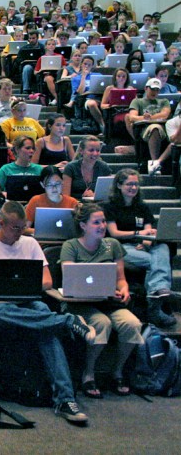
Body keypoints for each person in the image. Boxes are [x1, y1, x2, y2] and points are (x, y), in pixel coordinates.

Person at [0, 201, 96, 424]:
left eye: (23, 227)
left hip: (29, 301)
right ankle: (66, 321)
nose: (20, 232)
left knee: (44, 322)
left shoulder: (30, 243)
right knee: (1, 314)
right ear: (1, 223)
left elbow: (47, 281)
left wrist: (24, 287)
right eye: (15, 228)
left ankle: (65, 399)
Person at [61, 203, 143, 398]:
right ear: (83, 225)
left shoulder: (112, 245)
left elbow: (121, 279)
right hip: (82, 304)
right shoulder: (71, 246)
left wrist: (124, 289)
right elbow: (71, 279)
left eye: (104, 221)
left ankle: (117, 371)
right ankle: (89, 373)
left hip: (110, 302)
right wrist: (98, 291)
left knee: (132, 324)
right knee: (102, 323)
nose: (102, 225)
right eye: (96, 222)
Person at [103, 169, 175, 327]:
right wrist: (138, 233)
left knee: (162, 247)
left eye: (136, 184)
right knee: (157, 262)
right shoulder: (109, 206)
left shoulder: (141, 206)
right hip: (120, 248)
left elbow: (148, 230)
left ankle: (156, 294)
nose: (133, 187)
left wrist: (148, 240)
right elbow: (114, 233)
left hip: (140, 246)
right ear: (119, 185)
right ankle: (156, 301)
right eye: (129, 184)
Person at [126, 78, 171, 175]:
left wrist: (149, 117)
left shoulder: (164, 101)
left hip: (162, 128)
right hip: (144, 129)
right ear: (146, 88)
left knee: (156, 127)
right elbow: (132, 117)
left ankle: (155, 163)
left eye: (157, 90)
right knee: (154, 128)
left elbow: (165, 114)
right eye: (152, 89)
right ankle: (155, 163)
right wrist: (143, 117)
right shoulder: (137, 101)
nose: (155, 92)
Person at [25, 166, 79, 234]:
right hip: (42, 242)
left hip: (66, 242)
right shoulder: (35, 200)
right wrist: (42, 232)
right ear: (42, 185)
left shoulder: (72, 202)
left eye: (57, 183)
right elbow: (24, 228)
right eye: (49, 184)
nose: (54, 188)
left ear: (62, 182)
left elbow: (79, 229)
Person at [62, 135, 111, 200]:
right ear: (81, 151)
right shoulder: (70, 167)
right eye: (91, 150)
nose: (95, 153)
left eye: (98, 150)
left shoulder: (104, 167)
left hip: (97, 206)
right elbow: (66, 198)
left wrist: (94, 196)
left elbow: (108, 195)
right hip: (75, 206)